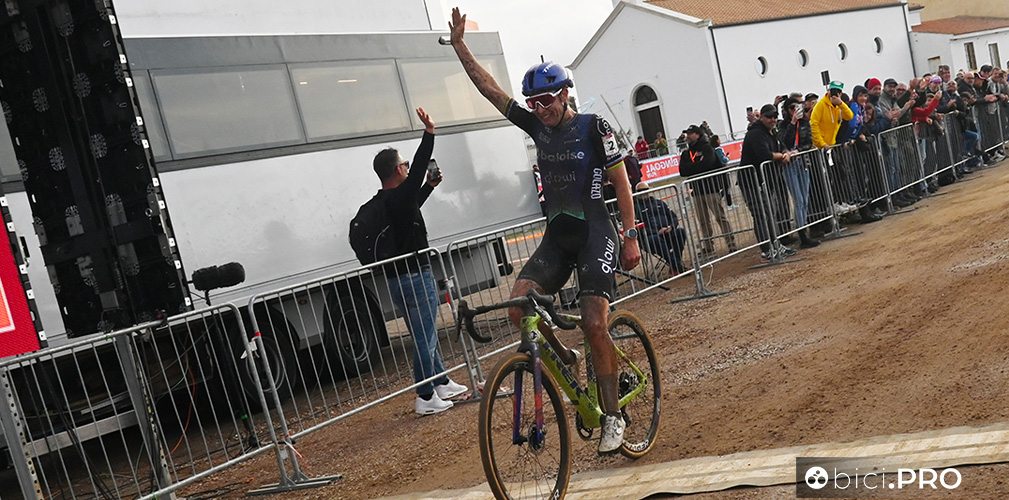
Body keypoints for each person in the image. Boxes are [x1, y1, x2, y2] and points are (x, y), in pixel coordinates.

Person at [447, 7, 640, 454]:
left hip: (596, 232)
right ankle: (566, 358)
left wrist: (630, 236)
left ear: (565, 95)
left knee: (594, 323)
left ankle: (613, 417)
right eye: (533, 103)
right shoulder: (536, 126)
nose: (540, 110)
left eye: (547, 101)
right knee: (519, 309)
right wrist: (460, 47)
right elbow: (490, 91)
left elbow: (621, 182)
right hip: (558, 237)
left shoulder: (594, 126)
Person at [369, 108, 468, 415]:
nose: (409, 168)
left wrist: (428, 187)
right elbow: (423, 162)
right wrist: (429, 132)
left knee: (424, 333)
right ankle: (425, 396)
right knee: (425, 337)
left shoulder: (388, 200)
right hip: (415, 275)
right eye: (405, 165)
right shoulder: (399, 195)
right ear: (397, 171)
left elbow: (408, 209)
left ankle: (440, 382)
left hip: (398, 279)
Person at [739, 104, 797, 260]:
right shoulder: (755, 134)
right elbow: (763, 154)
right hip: (752, 181)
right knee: (761, 215)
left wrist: (786, 154)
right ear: (762, 117)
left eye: (775, 116)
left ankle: (776, 244)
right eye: (770, 117)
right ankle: (767, 249)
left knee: (770, 213)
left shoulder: (772, 132)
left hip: (766, 180)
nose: (773, 119)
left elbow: (783, 146)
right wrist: (781, 156)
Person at [679, 124, 737, 259]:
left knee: (719, 217)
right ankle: (708, 247)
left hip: (711, 188)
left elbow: (708, 165)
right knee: (703, 220)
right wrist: (697, 166)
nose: (687, 136)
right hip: (697, 191)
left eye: (690, 133)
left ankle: (731, 243)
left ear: (697, 135)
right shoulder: (686, 153)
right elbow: (683, 170)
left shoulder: (707, 148)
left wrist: (692, 167)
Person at [777, 97, 820, 247]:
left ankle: (804, 230)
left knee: (805, 198)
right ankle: (802, 233)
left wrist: (798, 151)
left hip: (803, 162)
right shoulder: (783, 125)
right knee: (798, 200)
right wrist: (792, 123)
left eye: (798, 107)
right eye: (793, 108)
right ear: (788, 110)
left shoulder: (805, 123)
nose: (796, 110)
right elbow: (784, 142)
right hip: (789, 166)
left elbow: (809, 142)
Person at [633, 182, 689, 274]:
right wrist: (657, 232)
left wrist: (671, 226)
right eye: (640, 191)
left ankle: (675, 265)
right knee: (654, 239)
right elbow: (638, 228)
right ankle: (677, 266)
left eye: (645, 190)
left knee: (680, 232)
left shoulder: (659, 203)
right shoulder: (635, 208)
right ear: (636, 192)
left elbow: (674, 217)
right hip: (650, 238)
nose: (643, 192)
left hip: (668, 233)